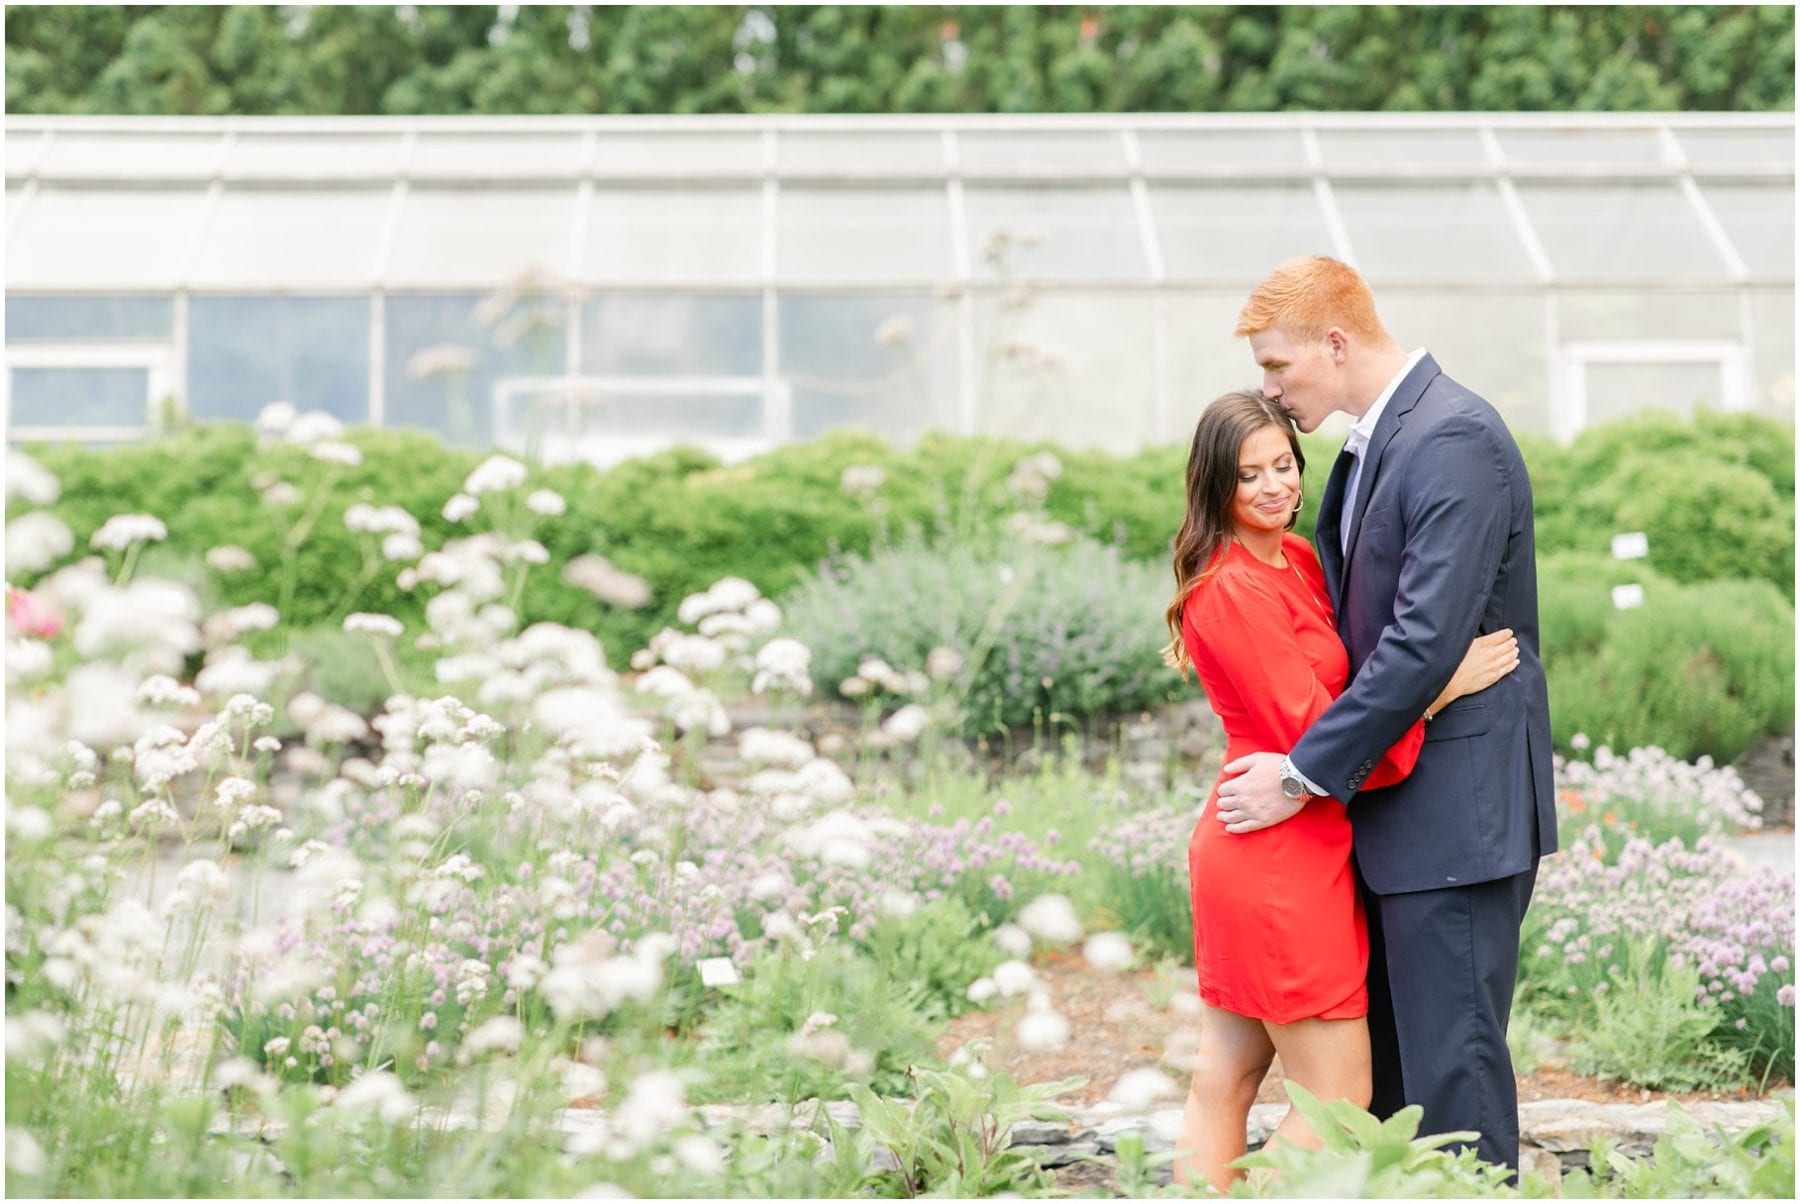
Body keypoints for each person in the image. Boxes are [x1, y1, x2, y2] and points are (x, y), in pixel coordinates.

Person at [1212, 255, 1558, 1173]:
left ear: (1335, 342)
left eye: (1278, 367)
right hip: (1396, 808)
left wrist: (1298, 775)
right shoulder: (1380, 441)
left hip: (1457, 815)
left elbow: (1418, 644)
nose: (1269, 388)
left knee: (1454, 1076)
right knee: (1401, 1087)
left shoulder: (1452, 437)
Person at [1163, 389, 1521, 1192]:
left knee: (1227, 1072)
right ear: (1213, 484)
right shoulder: (1230, 589)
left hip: (1286, 834)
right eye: (1247, 474)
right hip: (1276, 847)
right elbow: (1318, 726)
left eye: (1283, 464)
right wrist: (1439, 686)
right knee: (1338, 1098)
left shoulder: (1290, 558)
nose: (1272, 487)